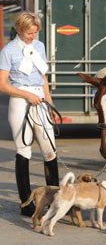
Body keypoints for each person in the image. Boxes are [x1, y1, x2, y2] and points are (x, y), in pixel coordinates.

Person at [0, 12, 59, 217]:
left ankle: (55, 200)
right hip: (19, 98)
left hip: (40, 99)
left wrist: (49, 102)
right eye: (28, 33)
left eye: (35, 33)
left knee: (49, 149)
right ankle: (26, 203)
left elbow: (43, 77)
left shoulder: (39, 46)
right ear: (19, 28)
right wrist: (26, 94)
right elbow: (2, 84)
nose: (32, 37)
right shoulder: (8, 51)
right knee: (23, 150)